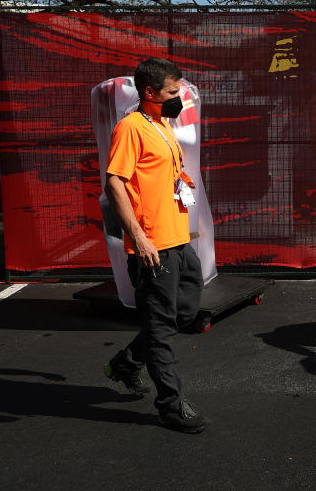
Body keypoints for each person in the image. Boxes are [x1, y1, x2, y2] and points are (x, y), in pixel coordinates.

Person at [102, 57, 209, 433]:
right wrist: (139, 236)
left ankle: (126, 363)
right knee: (161, 328)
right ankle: (171, 405)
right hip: (153, 247)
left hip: (179, 239)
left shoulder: (161, 124)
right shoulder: (131, 127)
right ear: (149, 92)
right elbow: (115, 182)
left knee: (184, 313)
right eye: (171, 92)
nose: (177, 98)